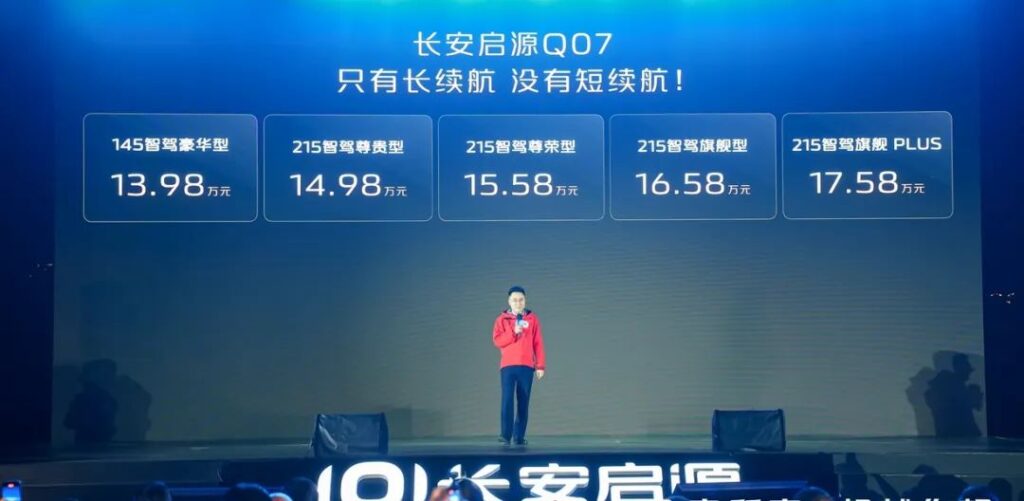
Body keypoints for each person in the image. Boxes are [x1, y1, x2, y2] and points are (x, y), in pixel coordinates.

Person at [492, 285, 546, 447]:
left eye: (521, 300)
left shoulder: (532, 319)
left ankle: (519, 436)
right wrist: (513, 331)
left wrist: (540, 365)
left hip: (526, 366)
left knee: (523, 401)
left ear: (525, 300)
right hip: (508, 366)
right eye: (514, 300)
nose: (518, 303)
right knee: (507, 400)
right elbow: (497, 341)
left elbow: (538, 343)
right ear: (509, 301)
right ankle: (505, 435)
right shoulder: (501, 319)